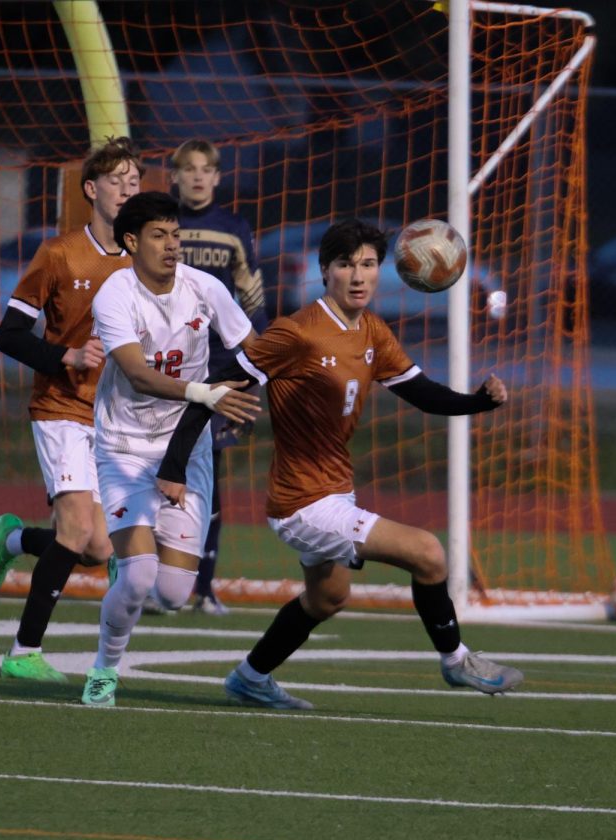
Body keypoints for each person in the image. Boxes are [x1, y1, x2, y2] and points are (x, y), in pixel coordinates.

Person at [156, 219, 523, 710]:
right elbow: (212, 389)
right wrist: (174, 466)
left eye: (368, 264)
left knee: (327, 599)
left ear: (380, 271)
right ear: (325, 270)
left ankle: (250, 677)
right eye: (346, 264)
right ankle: (456, 660)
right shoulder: (298, 333)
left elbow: (421, 393)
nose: (358, 275)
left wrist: (479, 402)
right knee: (429, 553)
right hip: (301, 504)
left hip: (334, 492)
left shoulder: (372, 329)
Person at [81, 190, 261, 707]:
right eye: (159, 235)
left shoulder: (205, 288)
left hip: (189, 449)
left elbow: (252, 349)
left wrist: (289, 372)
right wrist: (207, 392)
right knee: (138, 578)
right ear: (132, 241)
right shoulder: (115, 295)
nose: (172, 245)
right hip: (124, 447)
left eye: (176, 234)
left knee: (175, 594)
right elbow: (137, 375)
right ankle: (104, 670)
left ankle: (129, 562)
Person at [0, 136, 142, 684]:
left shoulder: (149, 263)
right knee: (75, 532)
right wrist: (64, 354)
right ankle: (22, 651)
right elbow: (8, 335)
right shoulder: (58, 254)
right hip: (61, 408)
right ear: (92, 190)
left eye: (135, 180)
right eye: (116, 180)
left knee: (95, 549)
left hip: (112, 419)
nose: (127, 188)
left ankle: (14, 540)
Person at [169, 138, 269, 615]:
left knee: (208, 477)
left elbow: (252, 301)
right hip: (164, 368)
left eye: (205, 169)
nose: (196, 177)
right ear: (174, 176)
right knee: (156, 473)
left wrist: (256, 370)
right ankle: (158, 578)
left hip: (219, 373)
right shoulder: (162, 226)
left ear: (217, 176)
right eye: (187, 169)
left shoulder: (233, 230)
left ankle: (203, 586)